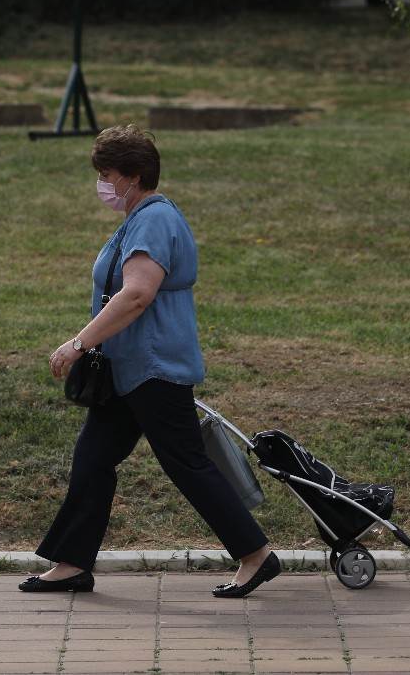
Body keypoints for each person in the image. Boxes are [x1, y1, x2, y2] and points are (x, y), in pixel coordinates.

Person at [19, 124, 280, 598]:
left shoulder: (155, 220)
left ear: (134, 176)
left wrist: (77, 343)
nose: (102, 183)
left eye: (108, 173)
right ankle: (72, 563)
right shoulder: (140, 218)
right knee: (93, 459)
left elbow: (137, 294)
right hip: (126, 369)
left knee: (187, 464)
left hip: (153, 368)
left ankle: (256, 555)